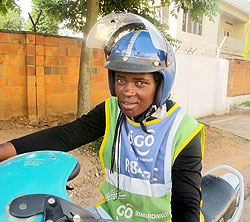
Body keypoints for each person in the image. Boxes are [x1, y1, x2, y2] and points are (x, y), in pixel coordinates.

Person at [0, 13, 204, 222]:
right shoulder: (112, 111)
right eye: (120, 79)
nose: (126, 91)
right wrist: (6, 149)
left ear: (161, 84)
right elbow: (65, 135)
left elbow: (186, 203)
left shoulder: (183, 130)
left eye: (140, 82)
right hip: (110, 215)